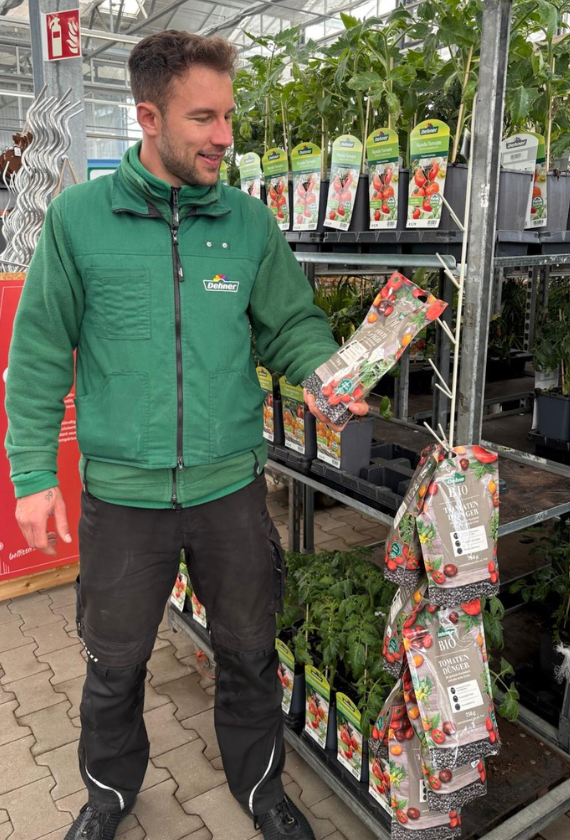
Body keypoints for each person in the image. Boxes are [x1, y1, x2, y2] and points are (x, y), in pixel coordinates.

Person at [5, 30, 368, 840]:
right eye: (204, 118)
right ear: (148, 116)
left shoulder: (246, 224)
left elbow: (292, 326)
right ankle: (107, 796)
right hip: (124, 500)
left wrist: (324, 374)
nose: (225, 136)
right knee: (115, 662)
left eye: (228, 116)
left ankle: (262, 790)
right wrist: (33, 477)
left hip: (229, 492)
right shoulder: (76, 223)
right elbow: (34, 361)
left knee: (248, 650)